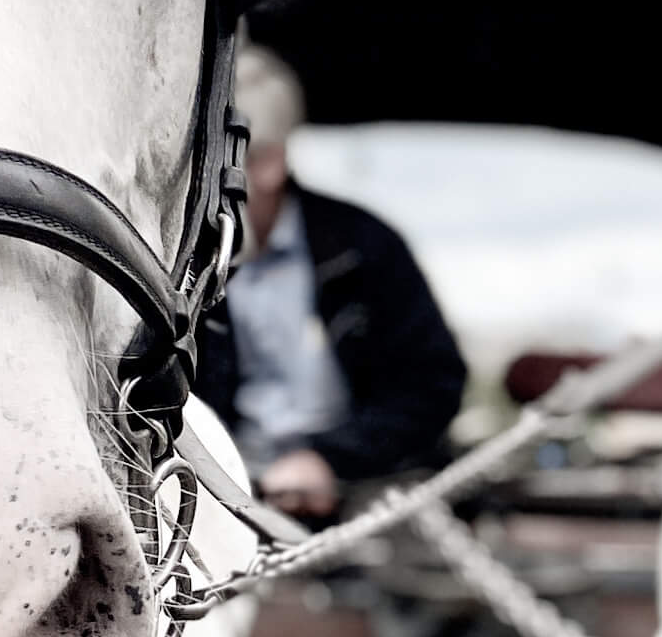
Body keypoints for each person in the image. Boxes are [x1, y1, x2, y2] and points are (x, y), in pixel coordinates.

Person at [194, 46, 466, 517]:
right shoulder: (185, 262)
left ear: (269, 163)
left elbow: (432, 385)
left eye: (213, 163)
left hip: (361, 497)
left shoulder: (367, 247)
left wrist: (327, 459)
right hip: (217, 502)